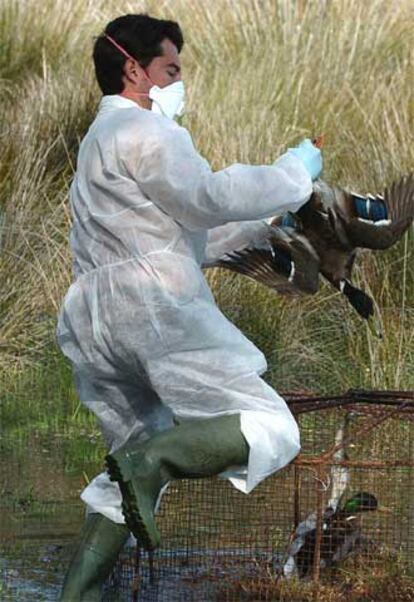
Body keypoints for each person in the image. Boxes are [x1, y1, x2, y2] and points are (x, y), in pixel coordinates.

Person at [57, 13, 322, 601]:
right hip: (156, 313)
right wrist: (292, 176)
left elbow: (176, 238)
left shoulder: (96, 145)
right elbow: (205, 199)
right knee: (273, 429)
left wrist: (267, 225)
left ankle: (73, 597)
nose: (179, 80)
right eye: (170, 69)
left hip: (97, 327)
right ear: (133, 68)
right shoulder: (145, 131)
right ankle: (159, 462)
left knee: (124, 470)